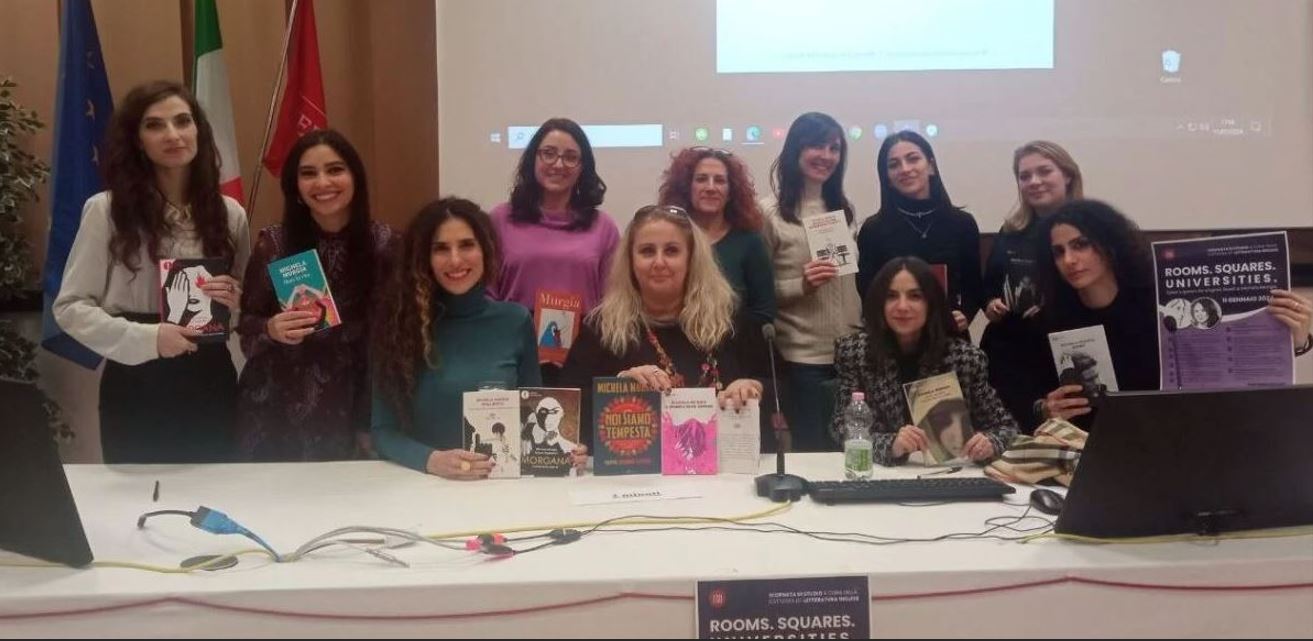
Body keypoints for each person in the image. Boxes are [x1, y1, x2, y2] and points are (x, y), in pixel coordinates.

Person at [53, 80, 249, 463]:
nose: (173, 134)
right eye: (155, 125)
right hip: (137, 382)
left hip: (210, 379)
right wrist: (148, 338)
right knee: (138, 495)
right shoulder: (106, 211)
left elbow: (244, 310)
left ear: (199, 131)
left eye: (183, 121)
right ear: (137, 140)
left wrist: (236, 302)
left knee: (217, 489)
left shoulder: (230, 214)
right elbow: (70, 308)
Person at [371, 198, 587, 479]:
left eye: (466, 245)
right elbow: (382, 432)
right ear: (423, 258)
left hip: (498, 488)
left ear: (485, 250)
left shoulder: (515, 320)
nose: (455, 260)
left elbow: (532, 417)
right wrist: (432, 461)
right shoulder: (397, 326)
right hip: (424, 485)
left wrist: (564, 451)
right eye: (441, 249)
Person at [235, 130, 398, 461]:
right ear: (295, 186)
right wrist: (270, 329)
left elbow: (394, 341)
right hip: (276, 410)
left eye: (335, 170)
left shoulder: (386, 245)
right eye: (308, 173)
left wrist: (372, 419)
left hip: (354, 406)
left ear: (355, 177)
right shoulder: (274, 245)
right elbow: (247, 327)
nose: (322, 182)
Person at [560, 204, 770, 448]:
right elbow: (567, 409)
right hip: (636, 468)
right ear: (631, 261)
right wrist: (618, 386)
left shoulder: (730, 319)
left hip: (724, 463)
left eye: (671, 251)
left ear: (691, 259)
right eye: (647, 251)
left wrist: (754, 386)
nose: (659, 262)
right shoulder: (602, 328)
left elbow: (780, 383)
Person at [831, 257, 1017, 466]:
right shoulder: (855, 353)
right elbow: (842, 428)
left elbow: (1008, 429)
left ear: (931, 303)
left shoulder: (965, 359)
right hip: (880, 472)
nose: (902, 306)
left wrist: (990, 443)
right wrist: (891, 444)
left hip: (948, 473)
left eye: (915, 296)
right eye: (891, 296)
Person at [487, 118, 620, 384]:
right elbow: (487, 293)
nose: (558, 164)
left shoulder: (603, 226)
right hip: (512, 353)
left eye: (570, 157)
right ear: (533, 159)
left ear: (583, 167)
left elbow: (614, 301)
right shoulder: (500, 219)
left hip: (584, 355)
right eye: (548, 153)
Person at [760, 112, 862, 451]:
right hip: (803, 359)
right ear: (796, 150)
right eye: (817, 146)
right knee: (813, 454)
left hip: (850, 354)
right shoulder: (769, 213)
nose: (826, 156)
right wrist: (801, 285)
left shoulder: (844, 210)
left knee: (852, 451)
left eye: (834, 148)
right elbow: (759, 293)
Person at [981, 141, 1085, 432]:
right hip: (1010, 353)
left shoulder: (1091, 230)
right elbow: (990, 285)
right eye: (1024, 176)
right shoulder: (1011, 230)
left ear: (1067, 175)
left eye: (1044, 171)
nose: (1034, 181)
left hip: (1063, 352)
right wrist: (990, 303)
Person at [1032, 199, 1159, 429]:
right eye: (1059, 252)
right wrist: (1047, 409)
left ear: (1110, 245)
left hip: (1161, 430)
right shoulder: (1051, 320)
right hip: (1087, 438)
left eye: (1081, 245)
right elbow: (1036, 396)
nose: (1069, 260)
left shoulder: (1155, 306)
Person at [856, 131, 982, 334]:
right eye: (894, 165)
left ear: (930, 166)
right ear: (887, 178)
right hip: (893, 338)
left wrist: (965, 314)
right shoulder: (873, 230)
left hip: (948, 335)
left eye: (913, 159)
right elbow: (868, 291)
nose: (905, 169)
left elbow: (974, 285)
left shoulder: (962, 223)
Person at [658, 146, 776, 323]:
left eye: (720, 181)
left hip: (735, 338)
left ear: (730, 193)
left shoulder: (749, 242)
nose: (710, 187)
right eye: (701, 179)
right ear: (687, 188)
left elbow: (764, 311)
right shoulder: (667, 239)